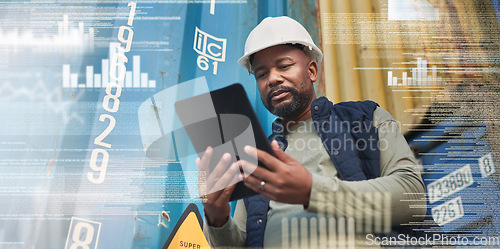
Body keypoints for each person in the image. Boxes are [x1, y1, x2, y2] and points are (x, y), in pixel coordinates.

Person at [197, 16, 428, 248]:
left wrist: (311, 190)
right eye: (261, 74)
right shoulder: (257, 158)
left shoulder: (366, 119)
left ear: (312, 70)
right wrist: (217, 217)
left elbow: (413, 199)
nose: (273, 78)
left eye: (284, 66)